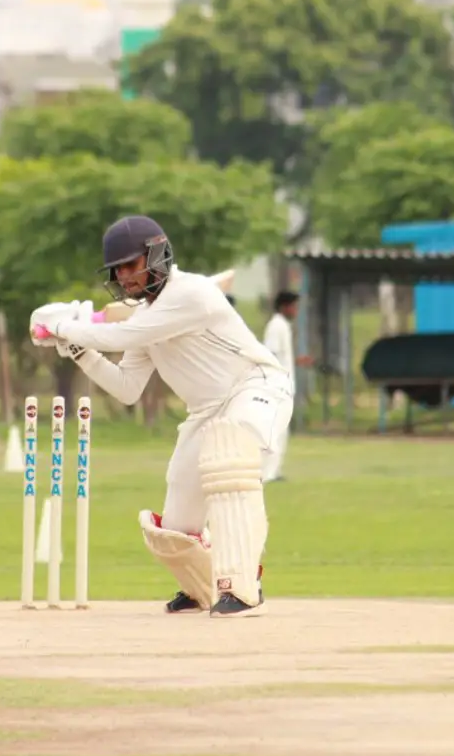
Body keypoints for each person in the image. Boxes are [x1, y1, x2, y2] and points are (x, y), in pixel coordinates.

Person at [28, 216, 293, 618]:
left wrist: (65, 326)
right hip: (206, 410)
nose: (124, 276)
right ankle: (202, 584)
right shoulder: (148, 319)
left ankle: (242, 586)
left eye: (131, 265)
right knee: (175, 529)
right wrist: (80, 349)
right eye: (117, 270)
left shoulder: (191, 294)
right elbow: (126, 387)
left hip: (255, 387)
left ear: (156, 256)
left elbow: (121, 336)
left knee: (229, 457)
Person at [259, 291, 307, 482]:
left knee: (282, 431)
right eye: (293, 306)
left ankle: (274, 470)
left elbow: (282, 357)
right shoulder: (275, 326)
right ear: (283, 307)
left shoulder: (283, 326)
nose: (296, 310)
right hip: (276, 386)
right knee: (275, 431)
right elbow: (270, 355)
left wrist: (296, 361)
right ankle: (267, 473)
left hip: (285, 385)